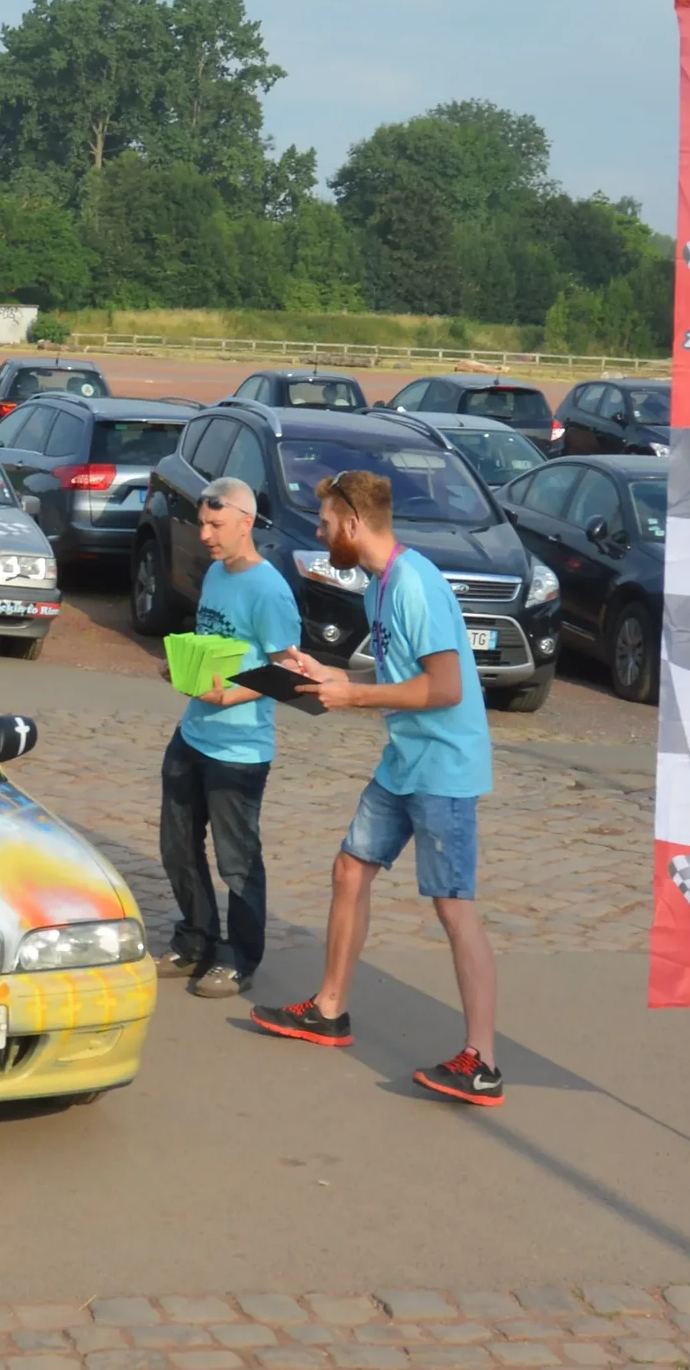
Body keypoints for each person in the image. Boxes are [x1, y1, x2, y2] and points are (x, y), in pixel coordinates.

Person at [250, 470, 504, 1107]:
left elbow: (444, 688)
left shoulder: (414, 584)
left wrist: (353, 696)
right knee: (349, 868)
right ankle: (329, 1009)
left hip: (443, 765)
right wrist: (325, 673)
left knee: (454, 908)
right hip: (405, 758)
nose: (319, 530)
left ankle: (483, 1062)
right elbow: (398, 672)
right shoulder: (379, 585)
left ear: (354, 524)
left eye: (327, 521)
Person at [160, 477, 301, 1001]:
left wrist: (234, 696)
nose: (205, 534)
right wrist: (182, 669)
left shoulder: (269, 590)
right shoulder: (217, 574)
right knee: (176, 846)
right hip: (193, 733)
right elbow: (213, 643)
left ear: (246, 521)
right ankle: (194, 940)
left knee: (236, 858)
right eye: (202, 523)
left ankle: (239, 959)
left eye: (215, 524)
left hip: (240, 750)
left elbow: (291, 672)